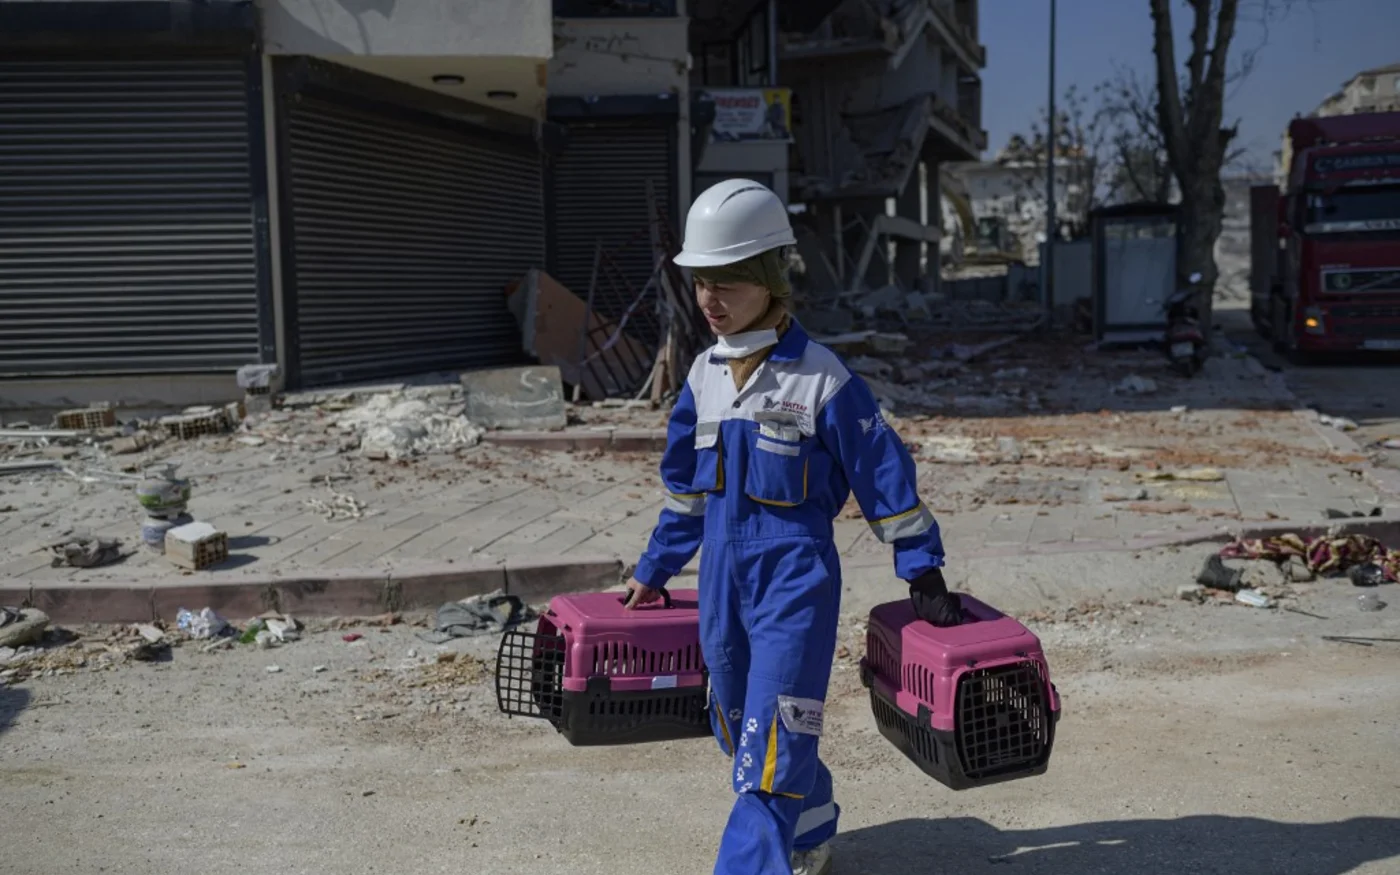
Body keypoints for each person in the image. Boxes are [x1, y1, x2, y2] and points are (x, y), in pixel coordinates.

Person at [623, 179, 961, 875]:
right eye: (701, 283)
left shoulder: (823, 380)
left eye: (729, 282)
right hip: (720, 579)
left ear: (772, 278)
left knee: (774, 734)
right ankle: (810, 823)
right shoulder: (701, 376)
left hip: (794, 581)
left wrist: (921, 567)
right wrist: (654, 569)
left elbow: (882, 476)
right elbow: (687, 492)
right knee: (735, 721)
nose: (710, 300)